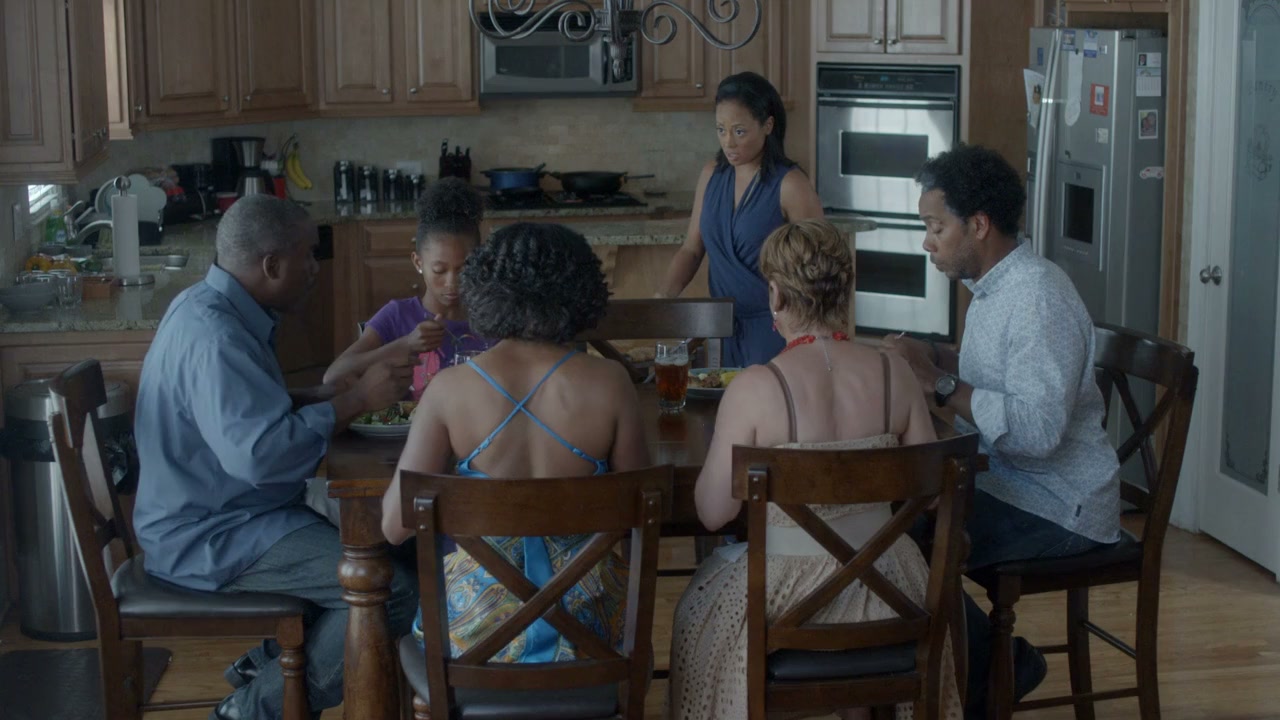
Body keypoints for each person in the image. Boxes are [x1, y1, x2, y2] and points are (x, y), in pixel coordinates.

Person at [131, 195, 420, 720]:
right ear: (271, 265)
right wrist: (357, 400)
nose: (315, 268)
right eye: (308, 254)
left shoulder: (205, 304)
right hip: (211, 534)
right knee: (389, 589)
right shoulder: (217, 337)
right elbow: (261, 458)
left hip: (231, 513)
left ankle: (266, 665)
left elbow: (239, 414)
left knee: (392, 550)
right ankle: (252, 709)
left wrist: (319, 397)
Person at [667, 220, 961, 720]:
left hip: (785, 595)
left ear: (776, 295)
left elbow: (713, 514)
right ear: (844, 290)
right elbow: (931, 495)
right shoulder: (895, 373)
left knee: (696, 617)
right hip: (891, 588)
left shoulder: (755, 387)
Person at [882, 144, 1121, 717]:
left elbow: (1037, 431)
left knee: (901, 542)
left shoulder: (1038, 297)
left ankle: (991, 668)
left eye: (936, 227)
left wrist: (939, 383)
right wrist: (936, 356)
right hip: (1010, 485)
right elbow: (996, 372)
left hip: (1059, 505)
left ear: (979, 224)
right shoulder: (995, 288)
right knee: (889, 527)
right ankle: (961, 671)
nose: (927, 242)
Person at [381, 222, 651, 662]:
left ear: (485, 288)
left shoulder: (449, 390)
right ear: (581, 290)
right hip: (589, 638)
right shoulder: (611, 383)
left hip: (476, 639)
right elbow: (644, 503)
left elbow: (394, 525)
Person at [656, 71, 825, 367]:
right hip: (719, 330)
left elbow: (819, 269)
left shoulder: (791, 185)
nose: (728, 142)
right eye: (721, 130)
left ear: (768, 125)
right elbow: (691, 250)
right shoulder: (711, 174)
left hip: (775, 331)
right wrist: (662, 298)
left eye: (739, 131)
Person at [324, 177, 490, 399]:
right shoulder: (397, 315)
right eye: (439, 270)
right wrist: (406, 344)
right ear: (418, 262)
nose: (451, 282)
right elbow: (333, 376)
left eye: (463, 269)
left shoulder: (490, 318)